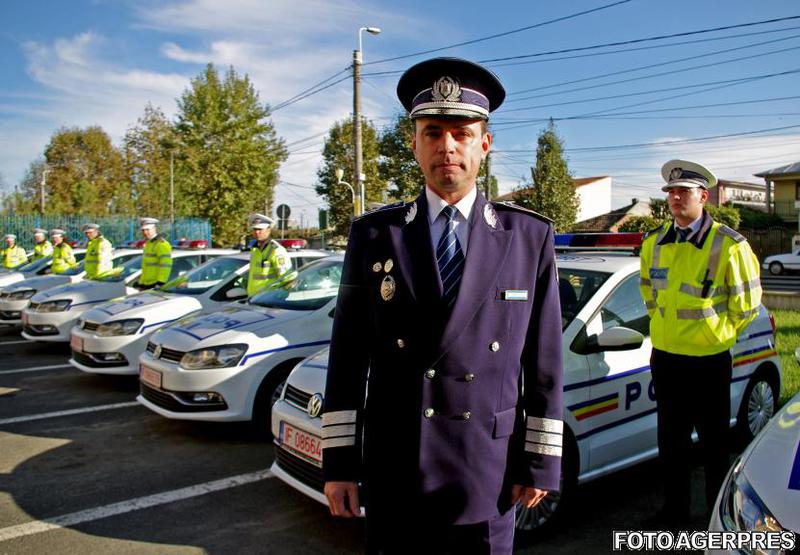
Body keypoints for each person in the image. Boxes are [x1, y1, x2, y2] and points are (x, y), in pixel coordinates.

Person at [321, 57, 564, 555]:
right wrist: (340, 463)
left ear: (485, 144)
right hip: (397, 472)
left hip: (487, 472)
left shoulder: (527, 237)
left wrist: (540, 461)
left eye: (461, 133)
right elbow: (347, 357)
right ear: (414, 144)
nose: (447, 146)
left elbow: (545, 365)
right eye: (432, 132)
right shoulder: (374, 235)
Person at [639, 160, 762, 528]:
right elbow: (648, 291)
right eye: (672, 193)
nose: (676, 198)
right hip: (666, 359)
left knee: (713, 447)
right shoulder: (654, 241)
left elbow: (747, 305)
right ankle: (674, 514)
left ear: (703, 197)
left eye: (684, 192)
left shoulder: (729, 245)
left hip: (708, 361)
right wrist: (664, 324)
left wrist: (716, 333)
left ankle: (716, 517)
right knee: (672, 445)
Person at [246, 213, 293, 297]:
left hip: (269, 300)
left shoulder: (276, 250)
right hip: (254, 298)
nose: (257, 232)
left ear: (269, 230)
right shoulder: (254, 249)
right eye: (255, 229)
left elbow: (287, 280)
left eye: (260, 229)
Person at [137, 217, 172, 289]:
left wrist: (161, 282)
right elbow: (146, 266)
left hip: (155, 284)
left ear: (154, 229)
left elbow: (165, 265)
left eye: (147, 229)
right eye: (143, 230)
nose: (145, 232)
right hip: (146, 284)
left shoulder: (161, 244)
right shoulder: (148, 244)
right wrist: (141, 283)